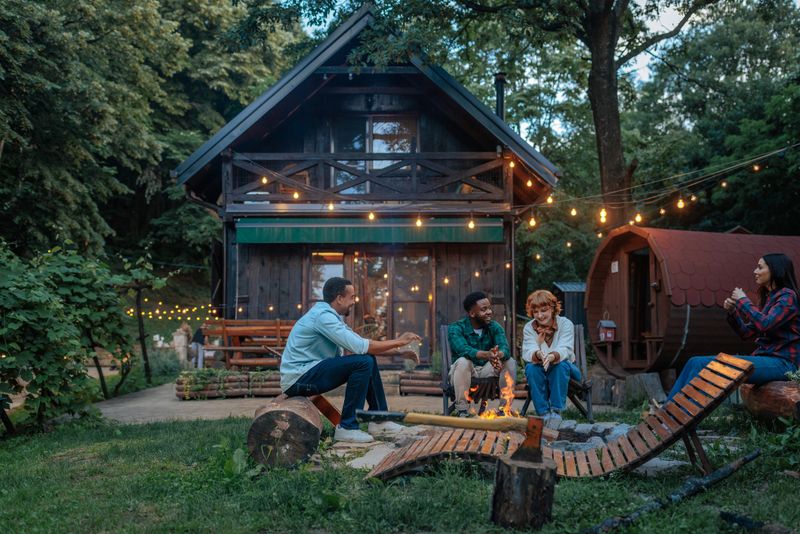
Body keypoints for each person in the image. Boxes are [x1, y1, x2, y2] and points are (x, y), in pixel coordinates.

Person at [280, 277, 422, 443]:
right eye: (352, 297)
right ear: (339, 298)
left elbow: (361, 345)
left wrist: (399, 352)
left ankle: (379, 420)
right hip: (299, 378)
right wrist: (399, 341)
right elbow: (360, 345)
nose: (354, 301)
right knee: (363, 361)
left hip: (307, 372)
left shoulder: (330, 317)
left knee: (367, 358)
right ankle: (347, 428)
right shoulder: (323, 317)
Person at [667, 253, 800, 400]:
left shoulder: (788, 297)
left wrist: (743, 300)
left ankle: (673, 419)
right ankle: (668, 415)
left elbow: (765, 324)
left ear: (775, 270)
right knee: (693, 362)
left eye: (760, 267)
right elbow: (747, 333)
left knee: (700, 364)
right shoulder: (770, 298)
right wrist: (733, 312)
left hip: (783, 364)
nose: (755, 271)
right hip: (768, 360)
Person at [448, 291, 515, 417]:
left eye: (489, 308)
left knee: (510, 361)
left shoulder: (494, 327)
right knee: (463, 361)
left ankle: (504, 410)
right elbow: (463, 349)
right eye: (484, 309)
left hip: (487, 369)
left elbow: (505, 348)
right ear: (472, 313)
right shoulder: (456, 328)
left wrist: (497, 354)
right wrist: (487, 354)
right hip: (464, 372)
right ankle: (462, 410)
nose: (489, 312)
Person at [521, 290, 577, 428]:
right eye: (536, 312)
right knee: (531, 368)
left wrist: (552, 356)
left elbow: (566, 349)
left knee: (560, 366)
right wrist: (539, 353)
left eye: (544, 310)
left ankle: (556, 411)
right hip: (541, 369)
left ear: (552, 308)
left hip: (567, 369)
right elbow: (528, 351)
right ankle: (544, 413)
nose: (540, 315)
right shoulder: (529, 328)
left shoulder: (565, 324)